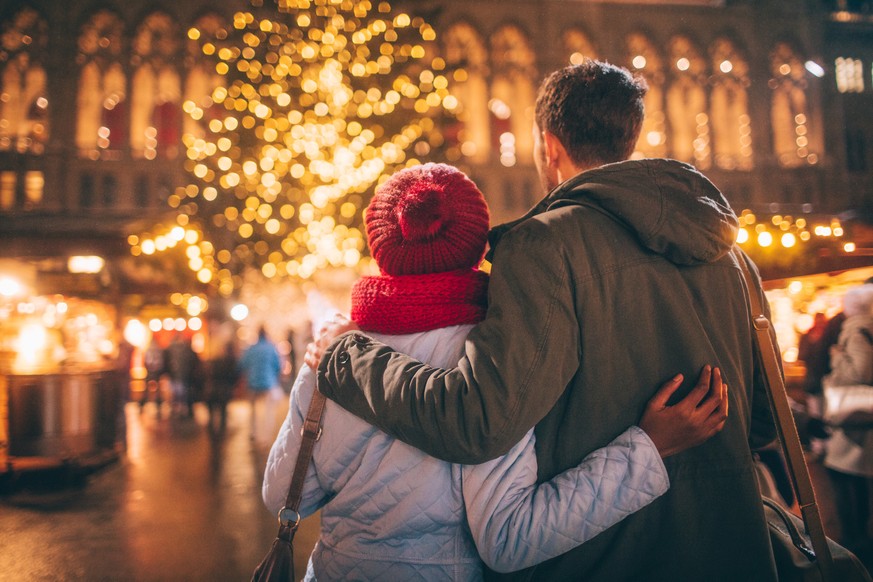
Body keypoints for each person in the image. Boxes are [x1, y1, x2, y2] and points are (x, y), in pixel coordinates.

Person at [309, 61, 777, 581]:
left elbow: (479, 422)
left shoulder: (544, 245)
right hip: (728, 549)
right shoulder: (731, 255)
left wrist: (345, 355)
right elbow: (762, 421)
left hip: (606, 558)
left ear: (549, 147)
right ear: (630, 137)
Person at [265, 163, 727, 580]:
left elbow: (285, 497)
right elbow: (509, 539)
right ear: (475, 243)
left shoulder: (332, 350)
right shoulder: (490, 355)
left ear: (382, 244)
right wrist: (644, 451)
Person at [822, 284, 873, 553]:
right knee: (858, 476)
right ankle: (859, 534)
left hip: (853, 413)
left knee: (842, 473)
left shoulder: (857, 330)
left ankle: (854, 540)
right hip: (863, 418)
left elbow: (861, 372)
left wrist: (838, 358)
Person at [239, 326, 282, 444]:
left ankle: (252, 432)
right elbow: (278, 365)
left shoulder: (251, 348)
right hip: (268, 382)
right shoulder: (271, 348)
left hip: (252, 382)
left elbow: (242, 364)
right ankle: (265, 437)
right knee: (269, 410)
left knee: (252, 410)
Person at [206, 341, 238, 433]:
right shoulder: (230, 362)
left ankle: (212, 431)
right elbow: (233, 376)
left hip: (213, 389)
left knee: (212, 412)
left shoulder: (214, 362)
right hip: (223, 389)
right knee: (223, 411)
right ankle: (221, 431)